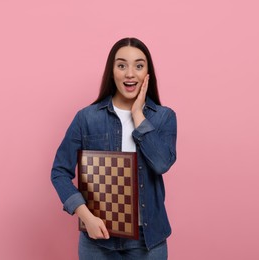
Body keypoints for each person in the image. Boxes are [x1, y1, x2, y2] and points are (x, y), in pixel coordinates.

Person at [51, 37, 177, 259]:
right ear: (112, 72)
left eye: (139, 65)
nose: (130, 73)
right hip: (98, 241)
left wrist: (138, 114)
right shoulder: (86, 118)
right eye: (121, 65)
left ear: (148, 73)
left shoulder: (164, 117)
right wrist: (85, 216)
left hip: (148, 239)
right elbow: (59, 172)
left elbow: (161, 163)